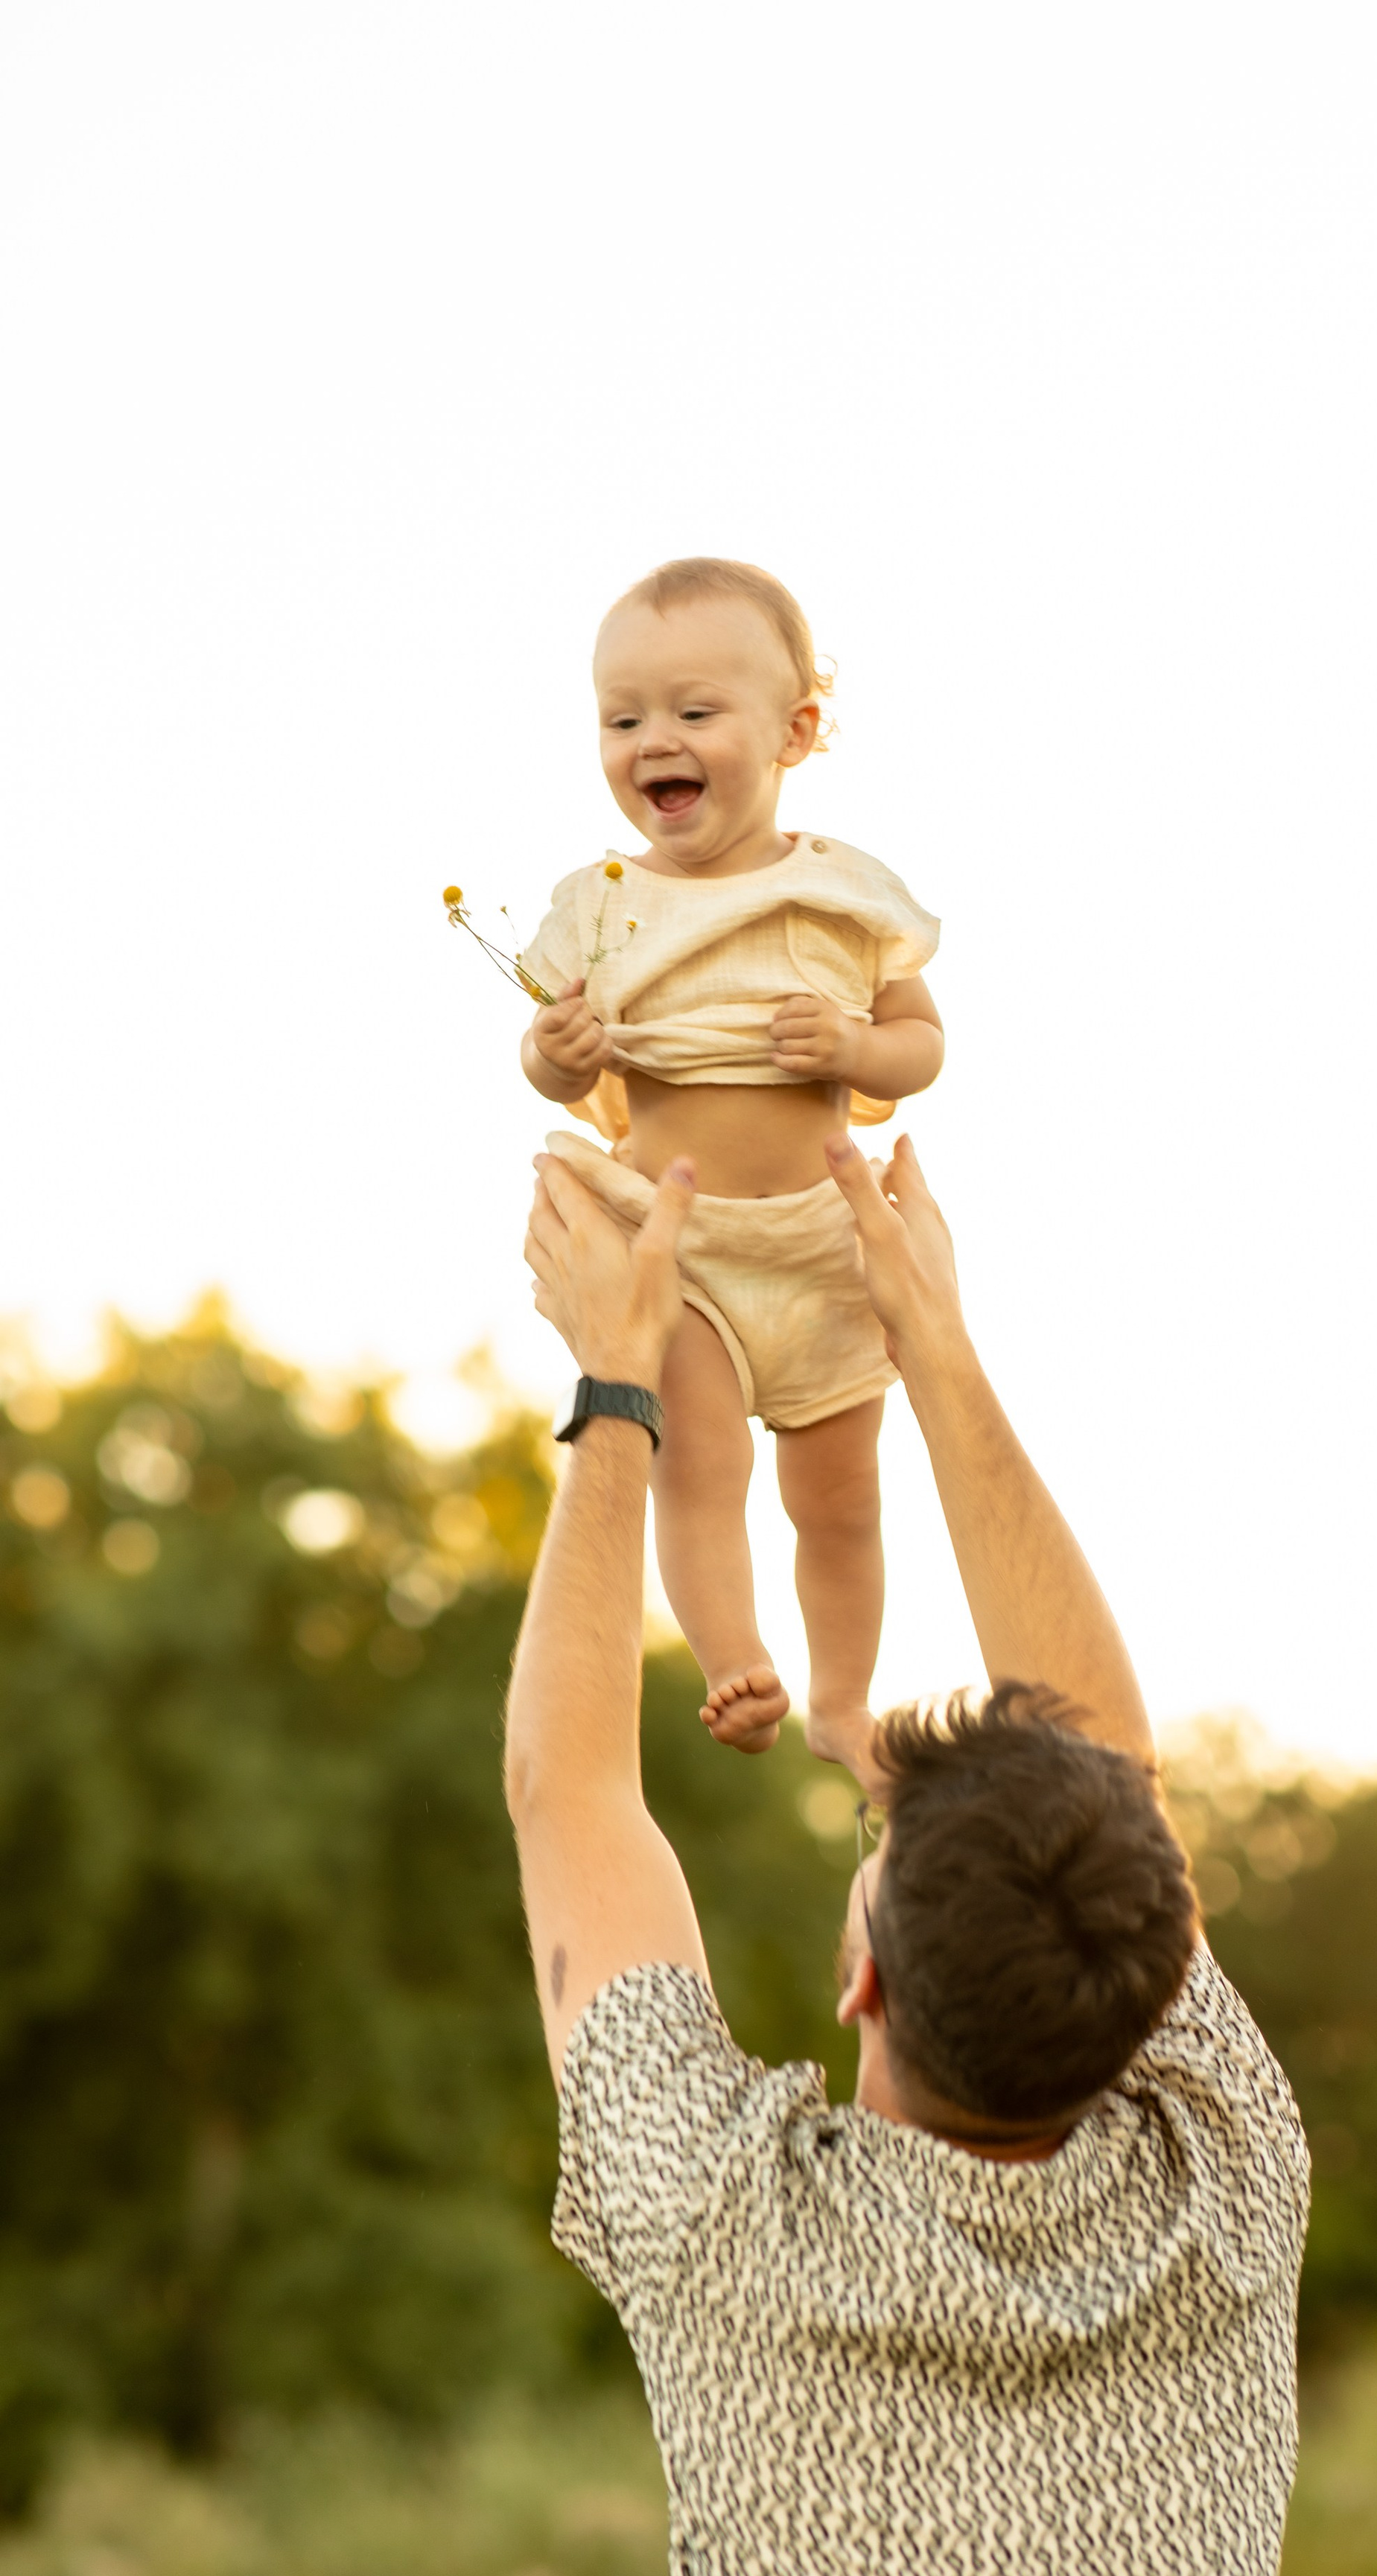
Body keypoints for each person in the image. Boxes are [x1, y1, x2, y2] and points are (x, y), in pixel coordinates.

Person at [508, 1133, 1317, 2576]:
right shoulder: (1229, 2182)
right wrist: (920, 1353)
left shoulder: (722, 2233)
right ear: (1154, 1970)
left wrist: (613, 1376)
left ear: (859, 1974)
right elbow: (570, 1796)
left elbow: (571, 1799)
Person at [519, 556, 944, 1782]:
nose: (656, 739)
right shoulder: (599, 907)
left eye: (695, 712)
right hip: (683, 1244)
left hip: (817, 1246)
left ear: (796, 730)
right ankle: (736, 1660)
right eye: (624, 718)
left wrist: (862, 1045)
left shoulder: (842, 891)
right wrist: (557, 1049)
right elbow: (550, 1066)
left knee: (842, 1497)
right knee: (700, 1465)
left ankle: (846, 1700)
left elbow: (923, 1043)